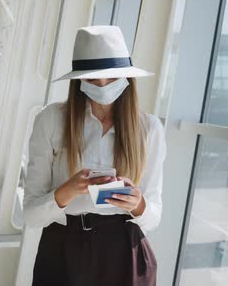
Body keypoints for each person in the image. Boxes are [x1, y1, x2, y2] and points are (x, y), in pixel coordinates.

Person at [24, 26, 165, 286]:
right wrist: (68, 190)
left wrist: (137, 204)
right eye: (93, 80)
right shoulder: (52, 120)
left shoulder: (149, 128)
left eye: (111, 79)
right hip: (62, 246)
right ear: (79, 81)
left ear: (126, 79)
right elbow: (32, 215)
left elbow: (154, 215)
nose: (103, 87)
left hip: (125, 250)